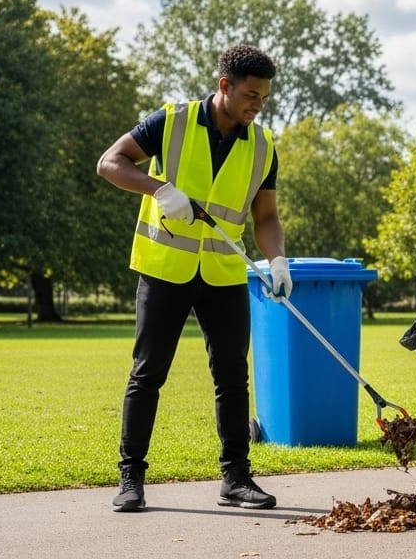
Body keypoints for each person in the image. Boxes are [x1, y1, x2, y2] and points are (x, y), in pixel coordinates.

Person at [96, 45, 290, 513]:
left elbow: (265, 217)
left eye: (263, 98)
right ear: (224, 85)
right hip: (165, 268)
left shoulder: (262, 146)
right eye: (249, 94)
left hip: (223, 273)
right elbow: (110, 163)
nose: (256, 105)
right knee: (148, 374)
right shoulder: (171, 122)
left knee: (231, 377)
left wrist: (278, 260)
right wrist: (159, 188)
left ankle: (237, 480)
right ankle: (131, 480)